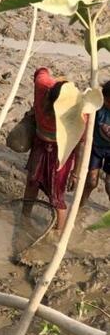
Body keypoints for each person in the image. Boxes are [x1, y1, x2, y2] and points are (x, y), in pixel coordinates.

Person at [22, 67, 81, 230]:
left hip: (61, 153)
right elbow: (41, 71)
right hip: (40, 145)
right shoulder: (43, 85)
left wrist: (75, 173)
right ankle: (24, 217)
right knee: (32, 181)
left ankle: (58, 232)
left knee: (56, 195)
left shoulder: (78, 112)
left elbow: (80, 144)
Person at [83, 81, 110, 203]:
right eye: (105, 100)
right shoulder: (98, 107)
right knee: (91, 182)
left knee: (109, 185)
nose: (106, 103)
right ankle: (80, 205)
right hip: (96, 148)